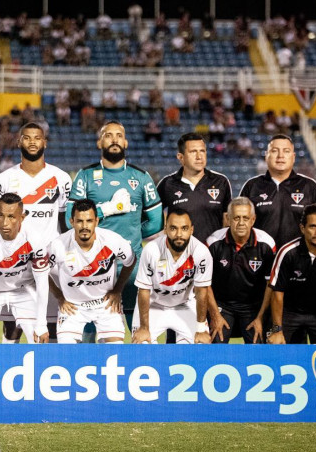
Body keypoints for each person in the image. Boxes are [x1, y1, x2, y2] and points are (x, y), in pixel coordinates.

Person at [68, 120, 164, 331]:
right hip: (93, 263)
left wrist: (132, 236)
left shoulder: (141, 177)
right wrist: (108, 209)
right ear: (99, 142)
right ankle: (90, 364)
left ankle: (140, 365)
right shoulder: (85, 176)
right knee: (90, 327)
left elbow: (157, 222)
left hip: (132, 265)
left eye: (119, 135)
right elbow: (70, 219)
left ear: (126, 142)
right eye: (108, 135)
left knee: (138, 326)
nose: (114, 139)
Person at [0, 122, 71, 343]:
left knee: (50, 325)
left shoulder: (61, 178)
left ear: (45, 142)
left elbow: (65, 221)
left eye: (37, 138)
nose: (32, 142)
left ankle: (48, 372)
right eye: (27, 137)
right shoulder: (4, 179)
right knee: (12, 327)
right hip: (15, 260)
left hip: (50, 260)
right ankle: (11, 369)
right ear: (19, 142)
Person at [48, 199, 136, 344]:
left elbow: (131, 260)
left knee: (115, 350)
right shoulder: (58, 245)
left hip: (105, 304)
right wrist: (59, 296)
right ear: (72, 221)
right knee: (66, 353)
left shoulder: (112, 240)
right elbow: (40, 270)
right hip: (73, 307)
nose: (84, 226)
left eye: (89, 221)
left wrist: (117, 290)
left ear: (96, 221)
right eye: (79, 221)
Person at [0, 193, 50, 344]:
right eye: (1, 215)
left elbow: (42, 283)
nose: (5, 222)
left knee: (39, 340)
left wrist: (42, 324)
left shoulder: (35, 238)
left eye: (11, 217)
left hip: (23, 290)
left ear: (22, 218)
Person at [267, 204, 316, 345]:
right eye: (313, 226)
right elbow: (277, 293)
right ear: (302, 228)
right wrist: (277, 330)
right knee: (276, 349)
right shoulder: (287, 252)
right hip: (290, 312)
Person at [131, 209, 213, 344]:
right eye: (173, 228)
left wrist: (200, 329)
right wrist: (144, 328)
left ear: (191, 230)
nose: (179, 234)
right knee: (141, 347)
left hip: (185, 304)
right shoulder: (151, 250)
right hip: (153, 305)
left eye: (184, 228)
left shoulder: (201, 252)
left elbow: (201, 292)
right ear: (165, 229)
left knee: (200, 346)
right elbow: (144, 290)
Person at [205, 197, 277, 343]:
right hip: (222, 305)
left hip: (254, 306)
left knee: (258, 345)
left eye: (246, 218)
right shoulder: (212, 243)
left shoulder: (267, 244)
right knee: (216, 341)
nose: (241, 223)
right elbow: (204, 284)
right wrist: (215, 315)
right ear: (228, 219)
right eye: (236, 218)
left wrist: (260, 318)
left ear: (253, 219)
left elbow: (271, 286)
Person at [240, 134, 316, 248]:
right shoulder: (252, 186)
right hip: (260, 260)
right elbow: (240, 226)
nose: (280, 156)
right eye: (275, 151)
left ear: (293, 157)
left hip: (299, 261)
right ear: (266, 156)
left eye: (286, 151)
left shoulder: (310, 187)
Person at [157, 133, 232, 244]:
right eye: (193, 152)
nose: (199, 156)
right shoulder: (167, 184)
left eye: (202, 151)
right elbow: (153, 218)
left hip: (213, 255)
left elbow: (227, 221)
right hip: (180, 257)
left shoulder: (221, 182)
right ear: (180, 157)